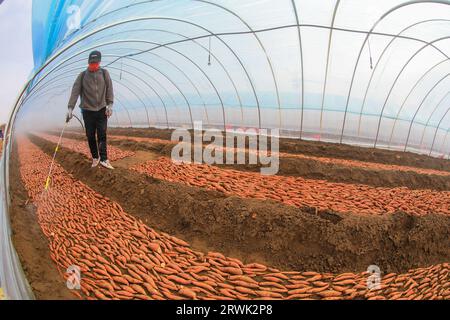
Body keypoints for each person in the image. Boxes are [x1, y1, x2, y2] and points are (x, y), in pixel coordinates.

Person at [66, 50, 115, 169]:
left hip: (102, 109)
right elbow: (75, 91)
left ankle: (104, 159)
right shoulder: (82, 75)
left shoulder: (104, 73)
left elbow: (109, 89)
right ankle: (95, 157)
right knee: (90, 135)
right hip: (87, 111)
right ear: (88, 63)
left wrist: (110, 105)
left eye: (96, 63)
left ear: (99, 62)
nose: (94, 65)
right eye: (92, 63)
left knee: (102, 134)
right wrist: (70, 108)